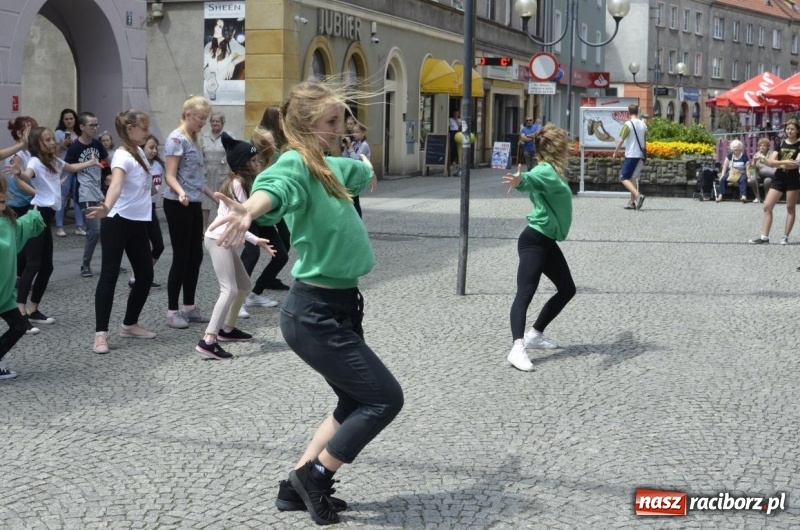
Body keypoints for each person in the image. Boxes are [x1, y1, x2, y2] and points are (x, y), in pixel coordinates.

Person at [209, 81, 403, 525]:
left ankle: (292, 488)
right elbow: (274, 188)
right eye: (331, 123)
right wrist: (248, 212)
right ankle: (315, 476)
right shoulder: (295, 164)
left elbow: (363, 174)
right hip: (314, 312)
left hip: (339, 306)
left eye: (341, 121)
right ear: (304, 128)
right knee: (384, 399)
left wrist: (362, 162)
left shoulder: (325, 165)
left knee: (354, 401)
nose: (340, 129)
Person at [4, 127, 101, 328]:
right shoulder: (36, 162)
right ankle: (20, 313)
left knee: (47, 266)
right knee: (33, 264)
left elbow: (71, 168)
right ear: (37, 144)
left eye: (51, 139)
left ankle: (33, 308)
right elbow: (27, 174)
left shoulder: (54, 161)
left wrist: (90, 163)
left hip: (46, 217)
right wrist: (19, 173)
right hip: (37, 215)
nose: (51, 142)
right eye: (46, 140)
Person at [502, 123, 577, 372]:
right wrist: (520, 179)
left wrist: (523, 180)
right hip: (534, 240)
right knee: (525, 293)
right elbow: (530, 180)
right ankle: (517, 348)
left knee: (567, 289)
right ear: (557, 148)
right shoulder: (544, 170)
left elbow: (532, 181)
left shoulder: (551, 171)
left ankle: (535, 335)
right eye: (565, 144)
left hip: (546, 241)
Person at [85, 110, 159, 355]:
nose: (147, 132)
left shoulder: (138, 152)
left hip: (137, 222)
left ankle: (129, 324)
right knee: (109, 275)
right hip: (117, 221)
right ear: (129, 128)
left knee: (145, 275)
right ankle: (100, 334)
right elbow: (115, 185)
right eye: (143, 127)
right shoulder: (122, 156)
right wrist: (106, 206)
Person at [198, 133, 276, 360]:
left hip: (225, 238)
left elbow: (239, 221)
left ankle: (228, 330)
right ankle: (208, 340)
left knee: (244, 285)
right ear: (243, 164)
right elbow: (239, 221)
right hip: (218, 240)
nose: (257, 163)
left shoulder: (241, 182)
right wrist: (255, 239)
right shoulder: (238, 184)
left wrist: (257, 240)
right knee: (229, 289)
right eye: (253, 161)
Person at [163, 95, 213, 329]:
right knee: (181, 257)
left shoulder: (194, 138)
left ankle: (189, 307)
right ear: (188, 115)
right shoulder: (176, 138)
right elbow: (170, 175)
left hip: (193, 202)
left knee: (196, 256)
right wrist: (181, 193)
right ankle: (173, 311)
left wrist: (213, 195)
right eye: (201, 118)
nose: (203, 122)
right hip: (177, 203)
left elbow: (195, 176)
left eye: (205, 118)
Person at [240, 107, 291, 317]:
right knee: (250, 254)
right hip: (255, 209)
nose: (282, 120)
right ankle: (238, 298)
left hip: (272, 210)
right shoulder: (254, 153)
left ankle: (256, 291)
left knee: (282, 254)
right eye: (278, 116)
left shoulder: (279, 147)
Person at [0, 173, 45, 380]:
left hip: (4, 295)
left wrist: (34, 215)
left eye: (3, 190)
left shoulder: (7, 220)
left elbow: (18, 233)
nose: (2, 195)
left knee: (18, 327)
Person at [65, 112, 109, 277]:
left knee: (107, 230)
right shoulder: (75, 147)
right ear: (82, 127)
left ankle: (110, 263)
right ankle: (85, 265)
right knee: (95, 230)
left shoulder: (97, 144)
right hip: (84, 193)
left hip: (99, 191)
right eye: (91, 125)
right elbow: (67, 168)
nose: (95, 128)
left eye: (96, 125)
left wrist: (109, 176)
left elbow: (106, 164)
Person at [749, 118, 800, 245]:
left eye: (792, 129)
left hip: (793, 178)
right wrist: (784, 162)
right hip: (779, 177)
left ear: (798, 130)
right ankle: (764, 237)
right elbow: (771, 162)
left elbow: (795, 164)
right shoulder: (781, 143)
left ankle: (785, 236)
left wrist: (778, 163)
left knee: (790, 208)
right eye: (787, 129)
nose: (789, 131)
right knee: (767, 206)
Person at [5, 116, 37, 307]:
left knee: (24, 239)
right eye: (29, 129)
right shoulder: (16, 156)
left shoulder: (27, 153)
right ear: (19, 133)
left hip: (26, 200)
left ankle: (20, 275)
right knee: (20, 240)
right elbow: (21, 182)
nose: (33, 132)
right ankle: (18, 277)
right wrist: (40, 193)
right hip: (17, 202)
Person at [129, 135, 166, 289]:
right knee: (141, 246)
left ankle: (144, 275)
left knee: (158, 245)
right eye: (151, 147)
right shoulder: (137, 164)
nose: (154, 150)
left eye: (156, 148)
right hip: (138, 209)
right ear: (142, 148)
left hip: (151, 208)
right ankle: (135, 277)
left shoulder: (158, 165)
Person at [53, 108, 85, 237]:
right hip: (63, 167)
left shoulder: (79, 132)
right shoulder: (58, 133)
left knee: (77, 196)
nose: (69, 121)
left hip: (77, 167)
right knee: (62, 195)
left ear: (75, 119)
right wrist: (62, 144)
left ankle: (79, 226)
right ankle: (59, 226)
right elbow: (54, 151)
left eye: (71, 118)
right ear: (62, 120)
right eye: (66, 119)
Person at [612, 104, 647, 210]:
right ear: (638, 112)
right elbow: (645, 141)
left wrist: (615, 152)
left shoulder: (628, 124)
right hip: (640, 154)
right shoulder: (643, 125)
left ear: (628, 112)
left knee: (624, 177)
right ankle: (632, 203)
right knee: (633, 178)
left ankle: (638, 195)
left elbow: (621, 139)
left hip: (631, 154)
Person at [201, 111, 231, 229]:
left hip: (222, 173)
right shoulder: (204, 136)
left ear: (222, 123)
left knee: (222, 201)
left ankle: (222, 228)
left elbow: (233, 151)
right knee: (205, 202)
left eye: (217, 121)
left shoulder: (228, 136)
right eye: (212, 121)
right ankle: (203, 229)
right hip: (207, 172)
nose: (215, 123)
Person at [342, 124, 370, 217]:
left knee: (354, 199)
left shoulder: (364, 145)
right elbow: (345, 158)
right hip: (351, 173)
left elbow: (356, 160)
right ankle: (354, 218)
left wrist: (350, 148)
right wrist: (346, 147)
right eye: (353, 132)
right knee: (353, 199)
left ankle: (358, 218)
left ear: (363, 133)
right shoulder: (354, 144)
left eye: (357, 132)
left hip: (359, 174)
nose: (354, 134)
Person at [749, 137, 775, 203]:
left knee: (767, 181)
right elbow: (753, 167)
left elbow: (772, 165)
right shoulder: (757, 154)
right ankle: (757, 197)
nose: (762, 147)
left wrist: (763, 158)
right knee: (752, 180)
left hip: (769, 173)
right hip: (760, 173)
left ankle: (767, 198)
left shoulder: (771, 154)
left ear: (767, 147)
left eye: (764, 146)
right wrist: (754, 161)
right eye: (760, 146)